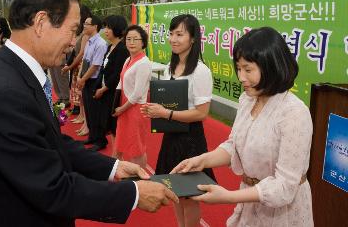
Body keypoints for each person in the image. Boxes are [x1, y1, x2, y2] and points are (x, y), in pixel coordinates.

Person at [0, 0, 178, 227]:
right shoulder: (3, 94)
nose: (73, 42)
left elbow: (51, 142)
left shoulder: (14, 76)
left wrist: (113, 168)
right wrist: (134, 194)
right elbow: (52, 188)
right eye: (72, 30)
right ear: (40, 23)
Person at [171, 26, 314, 226]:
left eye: (248, 69)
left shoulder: (293, 112)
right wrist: (202, 160)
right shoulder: (247, 100)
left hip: (282, 213)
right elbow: (235, 145)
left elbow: (284, 187)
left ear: (272, 66)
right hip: (250, 202)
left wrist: (228, 196)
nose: (241, 77)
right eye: (239, 68)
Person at [141, 14, 215, 227]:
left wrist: (166, 114)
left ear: (193, 38)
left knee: (190, 196)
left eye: (179, 34)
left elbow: (202, 113)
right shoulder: (169, 68)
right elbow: (166, 103)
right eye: (171, 33)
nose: (173, 38)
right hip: (171, 137)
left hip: (191, 140)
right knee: (174, 190)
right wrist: (154, 111)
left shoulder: (201, 71)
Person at [113, 25, 152, 168]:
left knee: (137, 148)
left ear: (143, 42)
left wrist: (122, 108)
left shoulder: (144, 63)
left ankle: (141, 177)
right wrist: (115, 102)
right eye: (128, 39)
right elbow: (121, 81)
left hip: (135, 110)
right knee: (121, 142)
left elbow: (137, 93)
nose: (131, 42)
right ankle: (120, 173)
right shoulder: (128, 59)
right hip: (124, 107)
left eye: (136, 39)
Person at [92, 15, 129, 155]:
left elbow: (117, 74)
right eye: (105, 27)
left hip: (114, 93)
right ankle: (115, 154)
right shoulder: (110, 47)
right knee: (109, 124)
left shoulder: (122, 49)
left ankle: (117, 156)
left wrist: (104, 88)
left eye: (108, 27)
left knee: (115, 125)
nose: (105, 30)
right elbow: (103, 69)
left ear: (117, 28)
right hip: (106, 92)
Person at [76, 15, 108, 150]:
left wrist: (82, 79)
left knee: (95, 111)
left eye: (87, 24)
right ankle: (92, 137)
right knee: (88, 110)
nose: (84, 26)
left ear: (95, 26)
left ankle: (100, 140)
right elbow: (84, 60)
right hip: (85, 79)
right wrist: (79, 76)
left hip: (94, 80)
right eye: (84, 23)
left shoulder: (100, 44)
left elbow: (95, 65)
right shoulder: (89, 41)